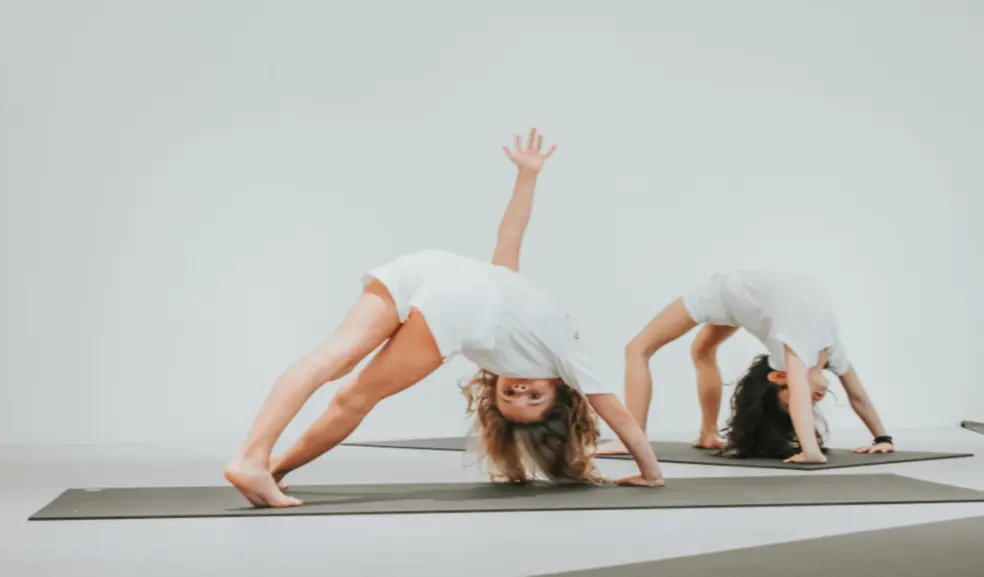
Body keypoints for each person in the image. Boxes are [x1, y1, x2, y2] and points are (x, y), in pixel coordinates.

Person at [225, 129, 664, 507]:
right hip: (460, 297)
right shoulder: (569, 357)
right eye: (534, 400)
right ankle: (260, 462)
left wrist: (526, 176)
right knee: (354, 395)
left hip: (434, 266)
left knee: (335, 358)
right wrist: (651, 472)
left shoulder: (519, 325)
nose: (522, 393)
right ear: (562, 393)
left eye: (512, 400)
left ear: (495, 394)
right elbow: (621, 417)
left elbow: (507, 246)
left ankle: (258, 459)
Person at [596, 270, 893, 463]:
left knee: (697, 350)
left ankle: (707, 434)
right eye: (792, 405)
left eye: (788, 401)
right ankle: (632, 439)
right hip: (728, 291)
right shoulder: (815, 347)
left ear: (779, 377)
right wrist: (812, 452)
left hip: (748, 300)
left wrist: (882, 439)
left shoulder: (806, 351)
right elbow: (848, 396)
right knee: (641, 349)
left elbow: (853, 397)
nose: (807, 403)